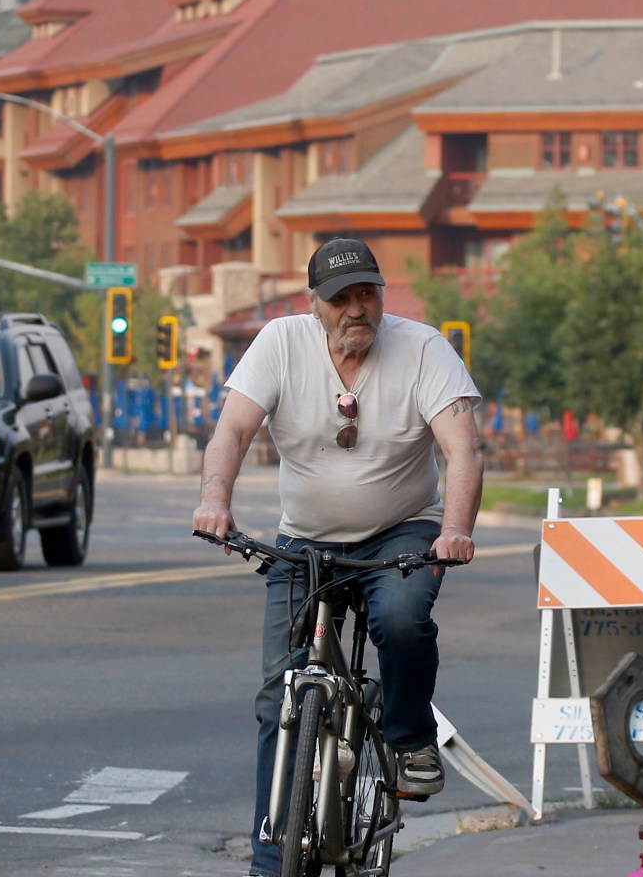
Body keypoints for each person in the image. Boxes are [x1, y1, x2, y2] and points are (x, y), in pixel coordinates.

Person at [192, 237, 483, 877]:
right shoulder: (280, 343)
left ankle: (408, 743)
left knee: (404, 618)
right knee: (280, 693)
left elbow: (462, 449)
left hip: (403, 529)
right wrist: (216, 500)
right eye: (341, 297)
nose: (357, 308)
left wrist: (454, 530)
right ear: (315, 304)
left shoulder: (425, 348)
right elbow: (233, 430)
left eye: (367, 293)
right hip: (306, 538)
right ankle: (271, 861)